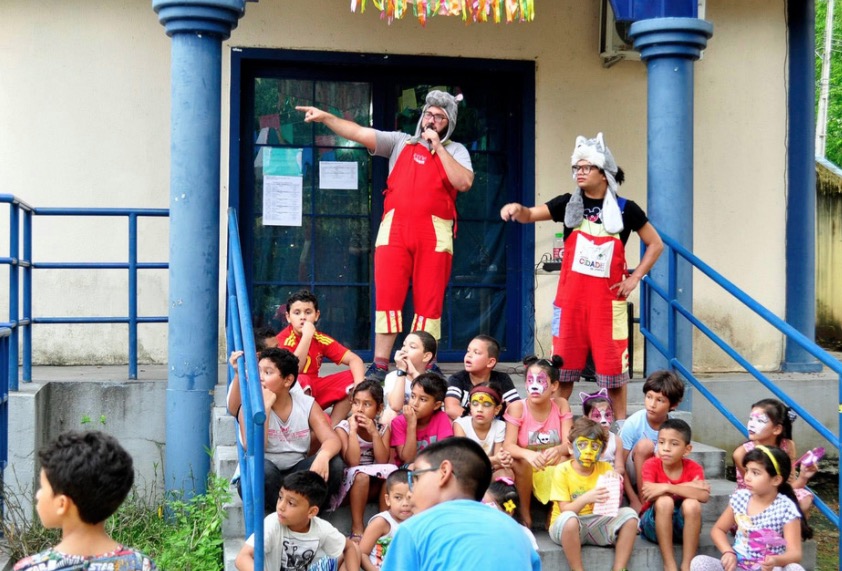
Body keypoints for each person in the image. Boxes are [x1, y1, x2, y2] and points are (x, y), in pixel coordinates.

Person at [297, 91, 474, 383]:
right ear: (422, 116)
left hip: (435, 232)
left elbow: (464, 182)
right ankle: (380, 364)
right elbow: (357, 132)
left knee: (430, 302)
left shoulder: (455, 151)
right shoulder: (399, 141)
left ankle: (424, 366)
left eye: (440, 117)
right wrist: (327, 118)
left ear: (449, 124)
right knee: (388, 297)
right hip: (395, 229)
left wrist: (438, 148)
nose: (432, 120)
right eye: (429, 114)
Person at [500, 132, 664, 419]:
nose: (580, 173)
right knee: (563, 372)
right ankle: (554, 425)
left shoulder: (627, 210)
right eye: (577, 167)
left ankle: (619, 429)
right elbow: (530, 214)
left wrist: (634, 277)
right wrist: (518, 209)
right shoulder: (567, 204)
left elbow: (655, 244)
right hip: (570, 301)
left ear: (604, 172)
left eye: (587, 167)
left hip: (607, 303)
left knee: (614, 375)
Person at [381, 437, 541, 570]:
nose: (410, 492)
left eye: (416, 477)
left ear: (444, 472)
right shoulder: (516, 531)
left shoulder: (415, 529)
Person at [13, 431, 157, 571]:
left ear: (62, 504)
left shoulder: (31, 568)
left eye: (42, 487)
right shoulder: (142, 565)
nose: (38, 495)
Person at [236, 347, 344, 515]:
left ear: (287, 380)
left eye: (268, 372)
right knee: (263, 470)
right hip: (264, 474)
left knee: (335, 463)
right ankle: (280, 520)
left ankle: (309, 516)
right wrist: (264, 410)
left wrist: (323, 455)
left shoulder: (306, 403)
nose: (260, 378)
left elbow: (332, 439)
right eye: (258, 371)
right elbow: (255, 449)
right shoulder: (248, 407)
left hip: (296, 473)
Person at [690, 446, 812, 571]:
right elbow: (718, 530)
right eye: (747, 470)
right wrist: (728, 552)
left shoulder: (786, 508)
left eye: (755, 473)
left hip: (770, 568)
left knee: (794, 568)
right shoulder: (740, 498)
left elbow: (795, 553)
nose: (747, 477)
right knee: (700, 562)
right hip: (738, 567)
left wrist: (775, 560)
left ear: (776, 480)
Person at [548, 417, 639, 571]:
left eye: (595, 446)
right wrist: (587, 497)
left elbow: (610, 509)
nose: (588, 451)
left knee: (630, 516)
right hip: (567, 527)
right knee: (569, 519)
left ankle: (619, 568)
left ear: (603, 451)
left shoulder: (605, 468)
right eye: (582, 445)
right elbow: (565, 510)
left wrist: (615, 485)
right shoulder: (562, 470)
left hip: (596, 524)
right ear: (570, 447)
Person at [235, 471, 361, 571]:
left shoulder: (321, 528)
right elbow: (242, 558)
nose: (281, 506)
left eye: (291, 503)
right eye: (280, 497)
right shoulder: (272, 523)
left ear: (311, 512)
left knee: (353, 550)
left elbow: (349, 547)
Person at [503, 355, 573, 527]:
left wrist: (558, 450)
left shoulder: (561, 405)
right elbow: (508, 445)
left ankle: (555, 510)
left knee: (567, 460)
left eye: (541, 381)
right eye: (530, 380)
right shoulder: (518, 407)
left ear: (554, 386)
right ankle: (525, 514)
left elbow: (569, 443)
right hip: (527, 466)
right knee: (520, 463)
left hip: (552, 462)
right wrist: (528, 454)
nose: (534, 386)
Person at [277, 289, 366, 425]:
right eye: (297, 313)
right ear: (288, 317)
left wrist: (360, 388)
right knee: (302, 379)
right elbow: (293, 370)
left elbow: (355, 360)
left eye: (308, 312)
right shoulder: (283, 340)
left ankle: (332, 427)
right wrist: (306, 336)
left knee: (353, 377)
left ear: (316, 315)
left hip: (315, 391)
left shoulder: (320, 339)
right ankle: (303, 428)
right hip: (290, 395)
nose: (303, 317)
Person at [639, 418, 710, 571]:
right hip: (653, 525)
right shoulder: (651, 464)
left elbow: (703, 496)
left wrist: (666, 487)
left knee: (692, 504)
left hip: (682, 527)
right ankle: (669, 565)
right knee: (664, 502)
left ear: (687, 449)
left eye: (674, 443)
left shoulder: (693, 467)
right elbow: (648, 493)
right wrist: (688, 486)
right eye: (662, 442)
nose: (666, 448)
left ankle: (687, 565)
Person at [332, 380, 397, 540]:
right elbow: (352, 462)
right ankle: (357, 528)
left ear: (379, 408)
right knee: (361, 475)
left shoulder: (382, 429)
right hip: (349, 487)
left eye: (367, 404)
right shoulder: (343, 428)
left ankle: (383, 524)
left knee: (390, 474)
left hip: (375, 485)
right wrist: (353, 432)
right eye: (356, 403)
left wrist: (374, 433)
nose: (360, 409)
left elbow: (383, 461)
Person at [733, 398, 817, 513]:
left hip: (780, 494)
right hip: (753, 499)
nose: (751, 425)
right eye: (751, 419)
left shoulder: (787, 446)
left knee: (804, 499)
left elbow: (789, 485)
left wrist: (803, 476)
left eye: (760, 421)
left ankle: (792, 530)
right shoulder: (741, 453)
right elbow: (757, 490)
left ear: (777, 429)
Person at [619, 369, 684, 512]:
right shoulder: (634, 423)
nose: (652, 404)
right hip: (633, 476)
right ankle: (644, 502)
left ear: (673, 405)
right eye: (649, 397)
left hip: (657, 475)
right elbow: (620, 464)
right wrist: (633, 499)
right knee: (645, 446)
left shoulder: (673, 428)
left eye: (659, 400)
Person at [444, 334, 521, 420]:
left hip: (496, 429)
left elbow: (517, 408)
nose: (469, 355)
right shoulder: (457, 379)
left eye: (476, 352)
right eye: (468, 351)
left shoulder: (502, 379)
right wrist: (479, 422)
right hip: (466, 427)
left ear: (490, 362)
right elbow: (451, 409)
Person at [388, 373, 454, 466]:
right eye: (413, 396)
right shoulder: (398, 422)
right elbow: (408, 459)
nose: (414, 403)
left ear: (436, 405)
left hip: (433, 466)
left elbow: (442, 454)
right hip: (407, 470)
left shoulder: (441, 418)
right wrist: (411, 425)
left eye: (423, 399)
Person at [452, 383, 513, 479]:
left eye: (487, 405)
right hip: (467, 472)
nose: (479, 409)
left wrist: (503, 459)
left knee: (507, 473)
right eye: (475, 404)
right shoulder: (460, 424)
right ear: (470, 406)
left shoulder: (500, 426)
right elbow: (464, 459)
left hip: (489, 471)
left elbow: (498, 462)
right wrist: (494, 460)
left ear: (497, 409)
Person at [359, 469, 413, 571]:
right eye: (398, 497)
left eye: (409, 497)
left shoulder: (418, 522)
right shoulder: (382, 522)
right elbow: (362, 553)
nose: (405, 503)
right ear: (388, 500)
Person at [381, 331, 436, 427]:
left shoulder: (433, 380)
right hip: (401, 424)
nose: (404, 350)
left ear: (426, 356)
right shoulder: (393, 377)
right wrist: (402, 370)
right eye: (404, 345)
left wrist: (414, 373)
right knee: (389, 415)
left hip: (424, 422)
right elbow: (395, 406)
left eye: (412, 347)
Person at [481, 477, 539, 551]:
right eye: (481, 505)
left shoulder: (523, 534)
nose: (483, 511)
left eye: (489, 507)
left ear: (509, 512)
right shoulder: (480, 532)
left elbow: (533, 559)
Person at [580, 388, 623, 467]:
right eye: (596, 416)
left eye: (607, 415)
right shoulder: (582, 441)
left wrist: (615, 473)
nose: (603, 421)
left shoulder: (616, 440)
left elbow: (620, 467)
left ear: (613, 415)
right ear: (586, 418)